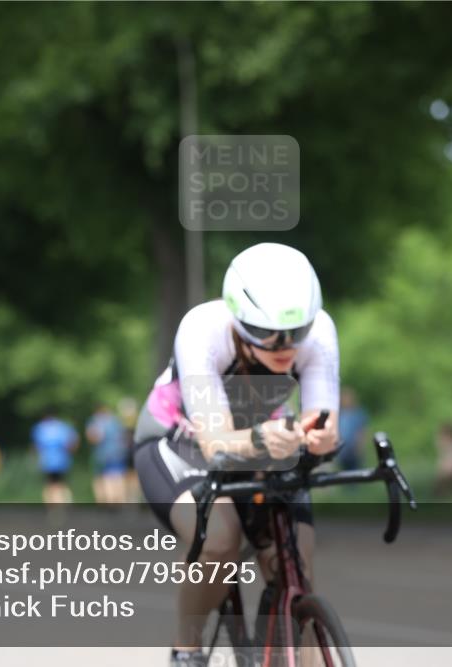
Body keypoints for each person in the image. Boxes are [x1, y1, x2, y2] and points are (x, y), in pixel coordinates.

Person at [132, 243, 340, 667]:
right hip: (179, 445)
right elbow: (215, 443)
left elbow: (324, 424)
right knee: (220, 540)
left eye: (296, 333)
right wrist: (263, 441)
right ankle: (186, 648)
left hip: (264, 444)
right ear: (238, 319)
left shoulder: (319, 332)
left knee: (296, 557)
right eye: (265, 333)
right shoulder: (203, 329)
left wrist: (320, 438)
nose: (284, 346)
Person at [32, 411, 79, 504]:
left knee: (49, 485)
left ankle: (52, 506)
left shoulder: (40, 428)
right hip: (62, 460)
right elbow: (72, 442)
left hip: (47, 461)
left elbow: (37, 446)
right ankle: (65, 502)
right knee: (62, 484)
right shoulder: (63, 427)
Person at [86, 404, 129, 504]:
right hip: (119, 453)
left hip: (102, 455)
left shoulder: (95, 421)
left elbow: (94, 438)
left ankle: (110, 501)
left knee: (105, 479)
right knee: (118, 477)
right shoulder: (115, 420)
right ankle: (120, 500)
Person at [336, 386, 369, 472]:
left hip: (354, 449)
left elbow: (362, 431)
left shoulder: (358, 413)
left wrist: (360, 447)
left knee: (356, 472)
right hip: (341, 450)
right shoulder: (338, 414)